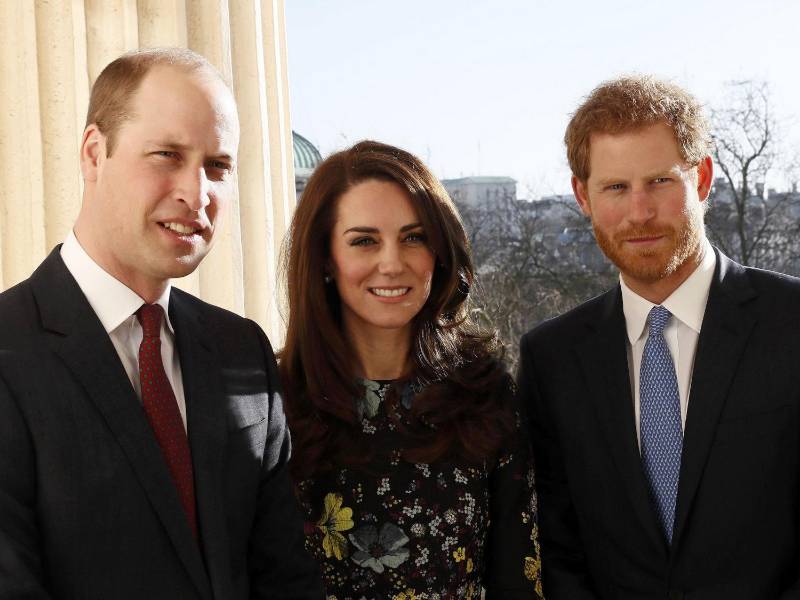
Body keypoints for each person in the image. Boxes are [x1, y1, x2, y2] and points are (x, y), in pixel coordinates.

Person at [0, 48, 323, 599]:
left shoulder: (242, 351)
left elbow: (285, 579)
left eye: (217, 166)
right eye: (166, 155)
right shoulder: (10, 350)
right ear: (94, 153)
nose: (197, 194)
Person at [519, 75, 800, 599]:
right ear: (583, 195)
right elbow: (557, 546)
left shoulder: (792, 323)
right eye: (616, 187)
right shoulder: (550, 360)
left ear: (703, 179)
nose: (640, 212)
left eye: (661, 182)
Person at [279, 140, 544, 599]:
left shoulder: (485, 392)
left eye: (414, 237)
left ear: (439, 252)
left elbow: (519, 575)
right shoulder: (274, 401)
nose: (391, 263)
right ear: (325, 258)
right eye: (364, 241)